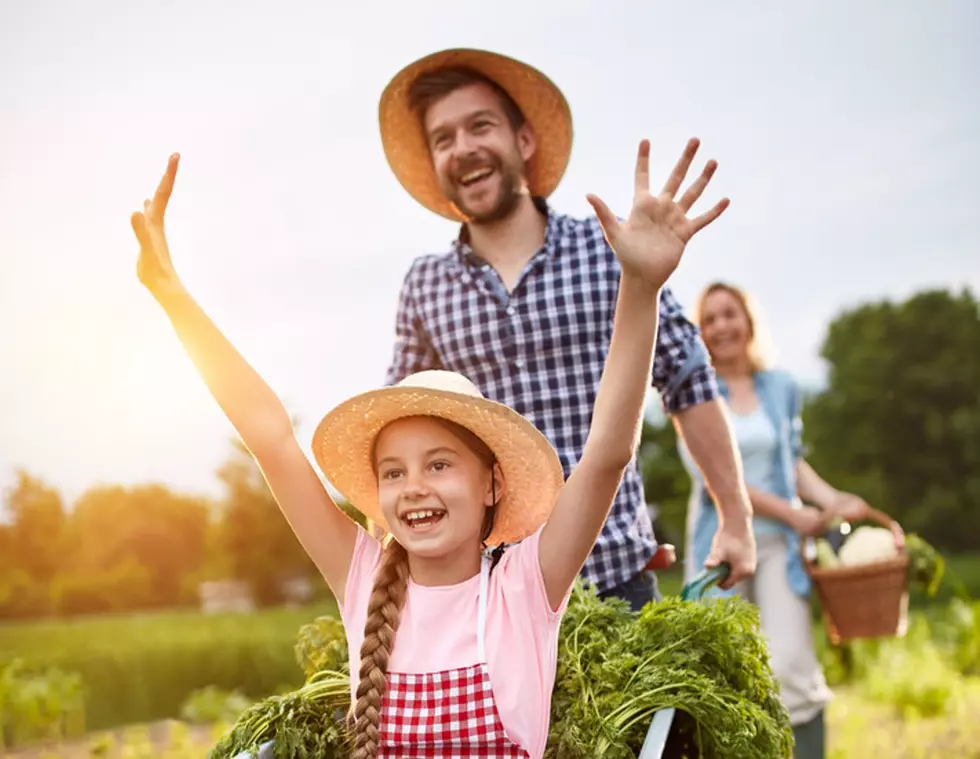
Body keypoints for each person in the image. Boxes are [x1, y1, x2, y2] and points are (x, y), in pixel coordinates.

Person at [128, 130, 727, 757]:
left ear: (491, 482)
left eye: (438, 464)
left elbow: (607, 454)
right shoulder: (359, 577)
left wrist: (640, 287)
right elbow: (271, 439)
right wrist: (176, 302)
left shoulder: (524, 587)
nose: (413, 486)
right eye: (393, 472)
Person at [376, 48, 756, 607]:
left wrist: (736, 515)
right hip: (487, 594)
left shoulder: (610, 251)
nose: (463, 148)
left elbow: (689, 380)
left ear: (523, 141)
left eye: (480, 126)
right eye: (443, 138)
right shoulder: (424, 285)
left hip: (613, 580)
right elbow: (393, 429)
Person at [680, 282, 894, 759]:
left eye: (729, 314)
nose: (720, 326)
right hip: (720, 550)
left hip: (777, 546)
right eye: (709, 319)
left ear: (748, 321)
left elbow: (791, 463)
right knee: (725, 671)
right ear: (700, 332)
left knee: (792, 664)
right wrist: (795, 514)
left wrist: (833, 499)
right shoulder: (692, 390)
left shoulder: (779, 387)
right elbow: (710, 472)